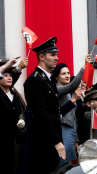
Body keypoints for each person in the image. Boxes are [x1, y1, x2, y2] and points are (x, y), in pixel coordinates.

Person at [23, 37, 65, 174]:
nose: (56, 58)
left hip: (51, 138)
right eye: (52, 55)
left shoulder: (48, 79)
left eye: (56, 54)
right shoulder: (34, 80)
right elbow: (41, 114)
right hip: (43, 141)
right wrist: (56, 140)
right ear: (41, 56)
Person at [0, 41, 28, 174]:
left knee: (12, 167)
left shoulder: (15, 95)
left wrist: (20, 124)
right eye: (5, 75)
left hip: (12, 140)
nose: (9, 78)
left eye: (10, 76)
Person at [52, 53, 91, 166]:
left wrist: (76, 139)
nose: (67, 75)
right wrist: (85, 66)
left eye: (68, 73)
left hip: (72, 131)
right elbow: (73, 84)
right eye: (63, 73)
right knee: (64, 161)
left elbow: (73, 117)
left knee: (71, 161)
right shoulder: (57, 89)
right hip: (63, 129)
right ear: (56, 77)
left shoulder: (68, 92)